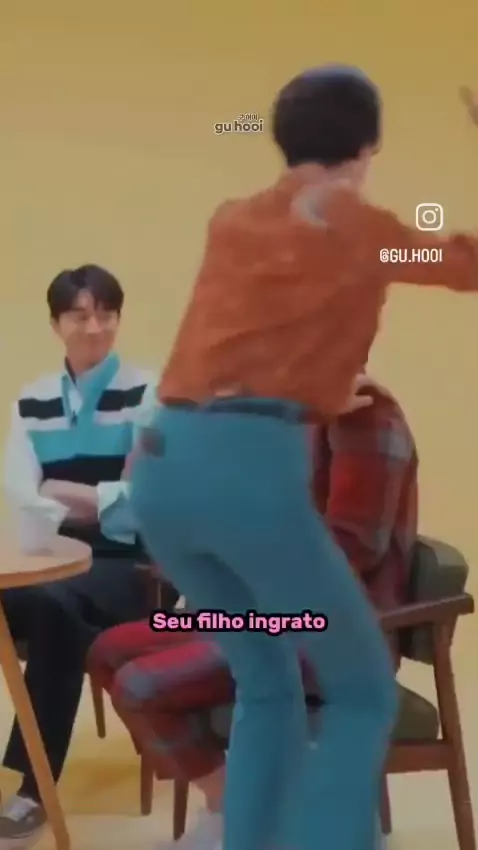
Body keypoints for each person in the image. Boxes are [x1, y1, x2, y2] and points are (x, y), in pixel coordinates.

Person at [127, 67, 478, 850]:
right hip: (247, 470)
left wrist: (317, 386)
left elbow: (260, 330)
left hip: (157, 471)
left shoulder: (231, 220)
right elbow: (468, 265)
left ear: (282, 139)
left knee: (265, 679)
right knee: (361, 691)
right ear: (369, 146)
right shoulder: (363, 226)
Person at [89, 379, 418, 850]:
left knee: (142, 685)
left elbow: (352, 548)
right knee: (109, 650)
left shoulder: (365, 416)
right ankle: (235, 807)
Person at [1, 265, 156, 848]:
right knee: (48, 599)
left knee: (55, 609)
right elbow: (21, 488)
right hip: (52, 558)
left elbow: (155, 497)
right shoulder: (32, 399)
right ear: (55, 323)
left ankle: (32, 787)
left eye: (106, 314)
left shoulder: (149, 393)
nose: (94, 327)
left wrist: (80, 496)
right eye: (79, 315)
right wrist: (87, 501)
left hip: (132, 567)